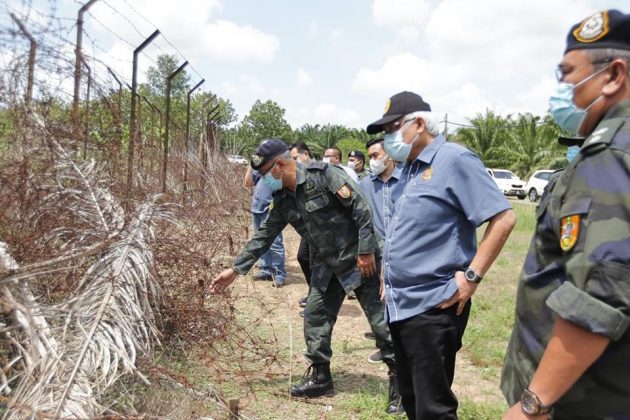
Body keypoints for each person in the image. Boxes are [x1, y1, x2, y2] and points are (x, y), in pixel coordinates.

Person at [501, 10, 630, 420]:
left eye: (568, 73)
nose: (563, 88)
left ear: (612, 75)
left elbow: (599, 295)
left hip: (583, 400)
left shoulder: (609, 155)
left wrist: (533, 403)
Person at [210, 139, 401, 414]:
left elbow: (362, 211)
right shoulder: (284, 199)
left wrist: (367, 251)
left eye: (264, 174)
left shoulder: (324, 176)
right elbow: (265, 234)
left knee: (381, 324)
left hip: (361, 259)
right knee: (315, 316)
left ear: (280, 165)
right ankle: (321, 376)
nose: (263, 180)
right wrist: (236, 269)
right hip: (328, 264)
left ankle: (400, 382)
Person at [366, 91, 517, 420]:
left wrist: (472, 278)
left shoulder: (454, 160)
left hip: (433, 304)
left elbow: (503, 218)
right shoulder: (407, 169)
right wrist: (386, 274)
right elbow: (404, 229)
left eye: (392, 130)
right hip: (399, 302)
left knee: (433, 407)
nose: (388, 139)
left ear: (418, 124)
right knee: (411, 397)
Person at [243, 165, 287, 287]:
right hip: (257, 209)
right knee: (261, 242)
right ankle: (266, 269)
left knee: (275, 243)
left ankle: (279, 274)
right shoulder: (260, 168)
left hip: (271, 211)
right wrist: (250, 166)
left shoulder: (280, 167)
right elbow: (247, 183)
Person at [290, 141, 313, 314]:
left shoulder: (320, 172)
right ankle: (314, 295)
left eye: (295, 158)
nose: (293, 162)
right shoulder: (298, 174)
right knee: (303, 257)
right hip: (309, 228)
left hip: (325, 230)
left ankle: (317, 304)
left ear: (305, 154)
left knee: (317, 263)